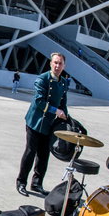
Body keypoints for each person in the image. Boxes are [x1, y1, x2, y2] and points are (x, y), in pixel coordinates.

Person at [16, 52, 69, 197]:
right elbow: (39, 101)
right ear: (50, 64)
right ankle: (21, 182)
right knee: (30, 152)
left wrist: (66, 116)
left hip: (49, 124)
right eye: (55, 63)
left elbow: (63, 103)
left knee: (44, 155)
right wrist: (55, 111)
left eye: (60, 63)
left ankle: (37, 183)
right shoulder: (42, 79)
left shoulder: (63, 82)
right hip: (36, 121)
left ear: (64, 66)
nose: (57, 66)